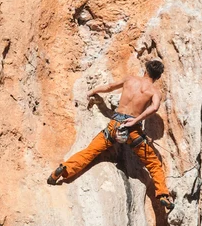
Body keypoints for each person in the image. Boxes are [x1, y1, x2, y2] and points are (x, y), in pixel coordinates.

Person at [47, 60, 174, 211]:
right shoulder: (154, 92)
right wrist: (137, 120)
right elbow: (154, 107)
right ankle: (163, 195)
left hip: (114, 125)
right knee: (153, 163)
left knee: (89, 152)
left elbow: (108, 87)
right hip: (132, 130)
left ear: (145, 70)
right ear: (158, 77)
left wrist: (92, 92)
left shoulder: (129, 80)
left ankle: (62, 170)